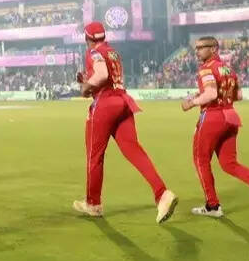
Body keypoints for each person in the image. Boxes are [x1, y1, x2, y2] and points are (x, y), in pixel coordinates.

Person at [73, 22, 178, 222]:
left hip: (105, 105)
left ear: (87, 39)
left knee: (95, 156)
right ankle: (162, 194)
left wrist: (86, 86)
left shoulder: (93, 52)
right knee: (134, 150)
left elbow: (102, 75)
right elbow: (108, 77)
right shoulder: (113, 52)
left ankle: (93, 204)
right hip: (123, 102)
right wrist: (88, 82)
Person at [181, 36, 249, 218]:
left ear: (213, 49)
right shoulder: (228, 69)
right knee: (229, 164)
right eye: (196, 48)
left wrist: (191, 103)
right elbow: (238, 95)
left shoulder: (206, 68)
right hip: (230, 117)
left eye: (201, 47)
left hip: (212, 117)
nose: (197, 51)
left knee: (200, 160)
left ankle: (213, 206)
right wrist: (204, 94)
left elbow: (211, 94)